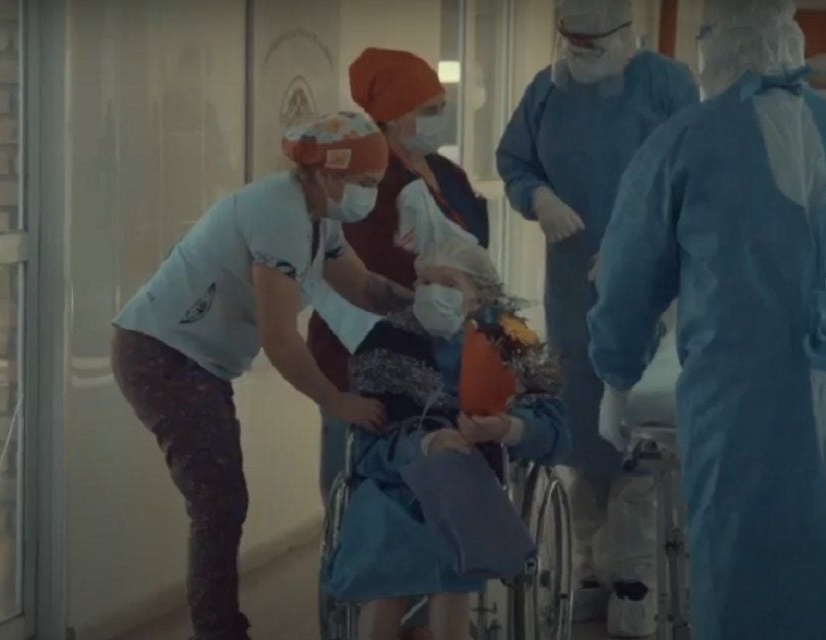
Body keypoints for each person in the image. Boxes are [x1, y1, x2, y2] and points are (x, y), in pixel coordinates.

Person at [110, 112, 416, 640]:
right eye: (364, 183)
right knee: (219, 503)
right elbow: (280, 339)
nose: (369, 196)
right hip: (162, 356)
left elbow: (362, 286)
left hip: (196, 360)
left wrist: (425, 307)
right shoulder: (278, 213)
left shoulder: (320, 216)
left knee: (222, 501)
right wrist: (337, 400)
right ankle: (219, 632)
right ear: (327, 173)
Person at [587, 1, 826, 638]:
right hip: (762, 396)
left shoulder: (688, 141)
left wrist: (616, 378)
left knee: (745, 570)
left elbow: (628, 275)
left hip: (742, 405)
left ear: (714, 47)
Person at [495, 0, 699, 634]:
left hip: (650, 290)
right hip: (570, 292)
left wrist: (638, 242)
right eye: (571, 42)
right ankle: (588, 567)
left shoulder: (666, 84)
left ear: (625, 33)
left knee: (635, 431)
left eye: (591, 43)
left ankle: (634, 578)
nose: (578, 53)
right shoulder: (546, 89)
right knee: (582, 433)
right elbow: (513, 160)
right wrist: (539, 197)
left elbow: (693, 178)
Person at [308, 47, 491, 639]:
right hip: (365, 359)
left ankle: (427, 620)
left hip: (442, 359)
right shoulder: (369, 180)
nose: (441, 115)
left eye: (441, 104)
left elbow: (476, 254)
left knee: (438, 494)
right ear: (389, 115)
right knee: (371, 500)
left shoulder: (447, 175)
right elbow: (358, 272)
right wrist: (427, 291)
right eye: (428, 107)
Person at [323, 237, 570, 640]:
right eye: (425, 282)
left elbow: (555, 429)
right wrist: (424, 444)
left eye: (450, 284)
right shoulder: (386, 342)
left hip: (472, 482)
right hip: (394, 482)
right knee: (393, 552)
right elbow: (366, 446)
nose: (433, 292)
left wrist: (507, 427)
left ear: (479, 296)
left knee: (452, 542)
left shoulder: (510, 340)